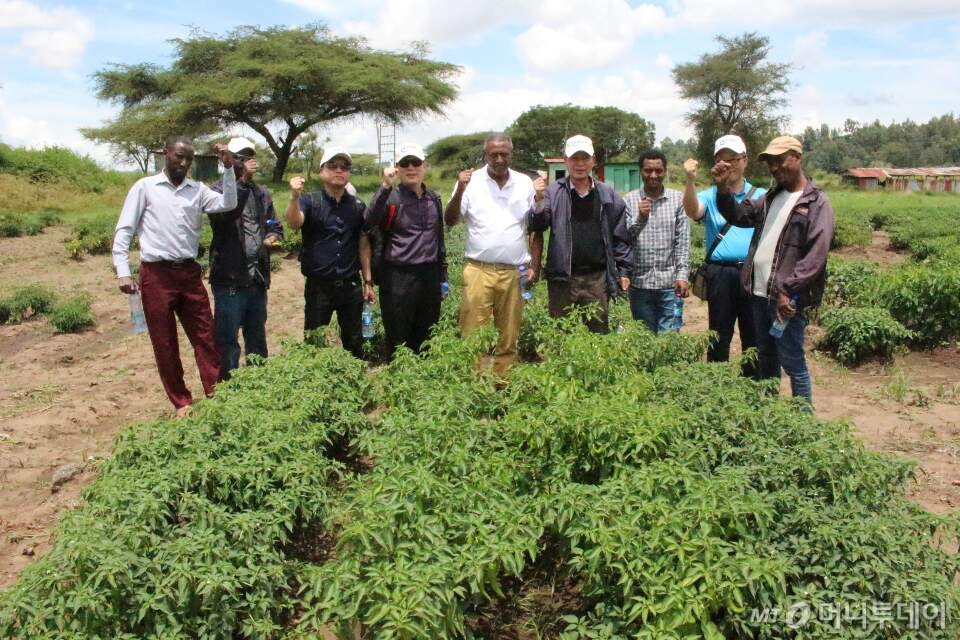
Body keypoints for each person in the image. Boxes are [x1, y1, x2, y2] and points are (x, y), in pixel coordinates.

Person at [112, 135, 237, 417]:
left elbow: (227, 203)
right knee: (165, 342)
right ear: (165, 154)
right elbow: (125, 229)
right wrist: (122, 271)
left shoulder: (198, 190)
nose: (184, 162)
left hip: (189, 273)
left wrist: (228, 169)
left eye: (189, 158)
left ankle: (216, 392)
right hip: (156, 275)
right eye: (179, 156)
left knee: (205, 335)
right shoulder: (145, 188)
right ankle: (182, 402)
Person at [711, 135, 834, 406]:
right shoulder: (771, 197)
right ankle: (768, 414)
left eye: (780, 161)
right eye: (770, 163)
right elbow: (738, 216)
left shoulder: (815, 202)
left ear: (797, 158)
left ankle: (803, 420)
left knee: (792, 361)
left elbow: (816, 255)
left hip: (785, 300)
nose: (775, 168)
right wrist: (722, 189)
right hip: (758, 293)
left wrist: (788, 290)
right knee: (765, 357)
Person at [444, 132, 535, 376]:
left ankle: (502, 382)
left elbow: (535, 225)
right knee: (472, 330)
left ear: (511, 154)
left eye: (503, 154)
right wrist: (460, 190)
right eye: (493, 154)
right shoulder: (470, 181)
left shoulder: (524, 183)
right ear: (486, 154)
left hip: (513, 272)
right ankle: (471, 385)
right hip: (478, 270)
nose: (498, 158)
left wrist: (534, 264)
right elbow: (450, 220)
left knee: (509, 332)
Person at [527, 134, 632, 333]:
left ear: (593, 161)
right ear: (565, 161)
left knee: (599, 333)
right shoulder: (553, 192)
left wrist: (624, 270)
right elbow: (538, 225)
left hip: (597, 278)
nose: (580, 164)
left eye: (585, 158)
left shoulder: (607, 194)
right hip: (563, 279)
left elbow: (620, 236)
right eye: (575, 158)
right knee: (561, 334)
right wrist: (539, 200)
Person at [682, 134, 764, 375]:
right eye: (723, 159)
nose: (729, 165)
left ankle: (753, 386)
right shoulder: (709, 195)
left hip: (752, 273)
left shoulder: (760, 195)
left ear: (745, 161)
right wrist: (689, 182)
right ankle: (717, 384)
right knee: (718, 335)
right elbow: (693, 210)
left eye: (734, 159)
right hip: (720, 274)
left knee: (754, 335)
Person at [207, 136, 283, 381]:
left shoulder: (262, 194)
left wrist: (272, 236)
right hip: (230, 279)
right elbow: (225, 215)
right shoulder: (217, 191)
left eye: (251, 155)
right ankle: (228, 390)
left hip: (256, 279)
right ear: (231, 160)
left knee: (256, 337)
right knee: (228, 341)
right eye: (242, 156)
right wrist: (242, 181)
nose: (249, 160)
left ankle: (258, 386)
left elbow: (274, 225)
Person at [286, 146, 373, 359]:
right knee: (314, 341)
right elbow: (294, 223)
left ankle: (354, 380)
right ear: (321, 171)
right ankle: (316, 387)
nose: (339, 170)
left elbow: (363, 244)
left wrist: (368, 281)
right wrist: (294, 197)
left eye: (344, 167)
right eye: (332, 166)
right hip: (319, 286)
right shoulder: (310, 201)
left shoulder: (357, 205)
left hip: (350, 284)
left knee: (354, 341)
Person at [364, 142, 447, 357]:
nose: (411, 168)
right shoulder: (391, 198)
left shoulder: (434, 199)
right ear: (398, 168)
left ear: (424, 166)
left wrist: (443, 276)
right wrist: (384, 186)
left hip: (429, 276)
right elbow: (368, 220)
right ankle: (398, 380)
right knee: (398, 333)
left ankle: (421, 382)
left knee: (427, 332)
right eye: (405, 163)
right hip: (398, 276)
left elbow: (440, 240)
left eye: (416, 162)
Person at [624, 149, 690, 333]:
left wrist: (682, 275)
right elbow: (625, 240)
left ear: (665, 171)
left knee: (667, 341)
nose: (653, 175)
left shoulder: (677, 200)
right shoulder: (629, 200)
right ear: (641, 172)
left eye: (658, 171)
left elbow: (682, 241)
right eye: (648, 171)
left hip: (669, 285)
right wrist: (641, 219)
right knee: (644, 340)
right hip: (639, 284)